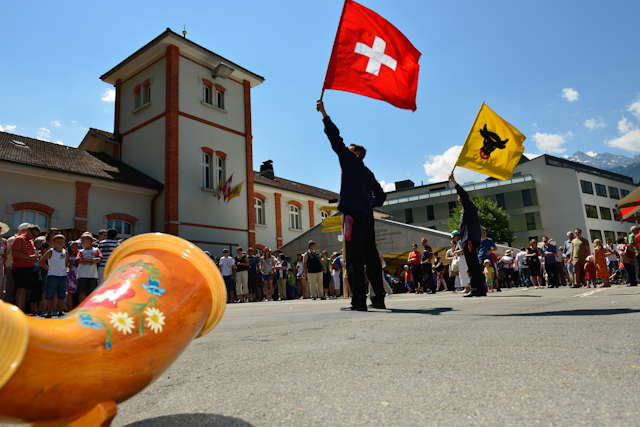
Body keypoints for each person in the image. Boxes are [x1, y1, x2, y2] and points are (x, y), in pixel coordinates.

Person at [318, 99, 387, 311]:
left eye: (350, 149)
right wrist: (370, 203)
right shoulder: (368, 172)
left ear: (356, 153)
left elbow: (336, 141)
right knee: (372, 257)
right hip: (367, 216)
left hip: (353, 216)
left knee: (355, 258)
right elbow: (382, 195)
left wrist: (324, 114)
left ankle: (358, 302)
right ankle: (378, 299)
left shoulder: (349, 161)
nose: (346, 150)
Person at [449, 172, 486, 297]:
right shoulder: (465, 211)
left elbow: (464, 195)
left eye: (460, 197)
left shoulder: (469, 206)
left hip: (469, 239)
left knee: (473, 265)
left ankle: (477, 289)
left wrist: (454, 182)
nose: (459, 199)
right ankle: (478, 288)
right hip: (466, 238)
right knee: (472, 265)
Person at [12, 224, 40, 312]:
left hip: (29, 267)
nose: (34, 237)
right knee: (20, 288)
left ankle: (22, 308)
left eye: (36, 236)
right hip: (20, 267)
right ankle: (18, 308)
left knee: (25, 289)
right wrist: (29, 257)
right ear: (28, 231)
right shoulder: (19, 239)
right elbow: (15, 253)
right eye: (33, 235)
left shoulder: (30, 241)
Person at [39, 234, 68, 318]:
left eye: (62, 241)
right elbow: (42, 261)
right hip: (53, 275)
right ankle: (49, 311)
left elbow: (65, 263)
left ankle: (60, 310)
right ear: (54, 242)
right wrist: (48, 269)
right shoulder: (51, 251)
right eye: (58, 241)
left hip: (62, 275)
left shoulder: (65, 252)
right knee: (50, 294)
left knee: (61, 294)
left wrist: (66, 269)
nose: (60, 243)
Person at [76, 232, 101, 303]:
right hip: (82, 274)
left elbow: (98, 259)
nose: (82, 241)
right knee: (82, 291)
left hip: (92, 275)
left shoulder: (96, 250)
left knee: (91, 292)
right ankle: (81, 307)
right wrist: (92, 261)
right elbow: (80, 260)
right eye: (81, 240)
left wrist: (86, 260)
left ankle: (90, 307)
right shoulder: (80, 251)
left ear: (90, 240)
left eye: (84, 239)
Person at [66, 239, 80, 311]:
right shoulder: (68, 256)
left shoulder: (80, 255)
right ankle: (70, 309)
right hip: (71, 276)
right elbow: (65, 265)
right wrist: (69, 264)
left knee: (79, 292)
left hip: (79, 275)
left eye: (76, 246)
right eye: (73, 247)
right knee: (70, 292)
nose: (75, 248)